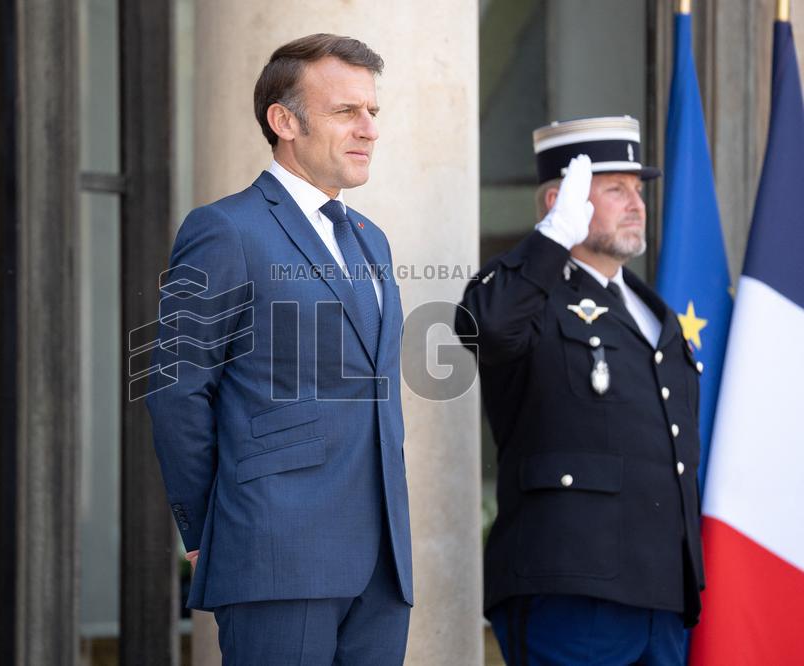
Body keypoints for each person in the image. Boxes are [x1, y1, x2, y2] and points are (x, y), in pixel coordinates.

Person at [145, 34, 411, 664]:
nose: (368, 129)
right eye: (347, 111)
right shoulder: (224, 229)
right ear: (284, 120)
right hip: (274, 555)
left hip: (382, 568)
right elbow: (176, 388)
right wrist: (208, 530)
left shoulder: (371, 239)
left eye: (373, 111)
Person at [456, 116, 704, 664]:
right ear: (557, 201)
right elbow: (487, 326)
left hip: (659, 593)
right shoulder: (529, 295)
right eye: (615, 189)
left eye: (638, 190)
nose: (636, 203)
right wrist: (551, 240)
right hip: (570, 587)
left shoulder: (651, 311)